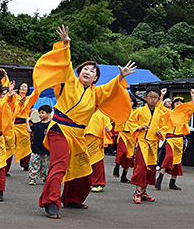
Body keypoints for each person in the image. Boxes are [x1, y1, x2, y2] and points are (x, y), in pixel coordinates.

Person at [33, 25, 135, 219]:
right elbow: (65, 63)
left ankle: (72, 199)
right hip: (60, 129)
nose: (88, 71)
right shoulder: (69, 81)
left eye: (92, 71)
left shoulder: (97, 92)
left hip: (78, 135)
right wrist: (66, 43)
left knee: (84, 168)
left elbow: (111, 88)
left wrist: (120, 76)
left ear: (96, 78)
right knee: (59, 165)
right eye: (85, 69)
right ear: (79, 72)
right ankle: (50, 201)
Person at [155, 89, 194, 191]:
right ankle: (160, 178)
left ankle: (172, 183)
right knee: (169, 157)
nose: (178, 104)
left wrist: (192, 96)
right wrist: (162, 95)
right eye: (176, 103)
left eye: (180, 103)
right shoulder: (169, 113)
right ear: (173, 105)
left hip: (179, 139)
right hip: (170, 138)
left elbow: (193, 108)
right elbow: (159, 107)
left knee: (177, 161)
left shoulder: (184, 114)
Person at [13, 82, 40, 171]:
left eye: (25, 86)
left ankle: (25, 164)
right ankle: (4, 167)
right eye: (22, 86)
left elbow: (35, 94)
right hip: (13, 123)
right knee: (10, 145)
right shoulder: (14, 97)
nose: (23, 88)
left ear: (27, 90)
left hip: (23, 124)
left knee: (25, 144)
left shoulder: (28, 99)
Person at [85, 109, 113, 192]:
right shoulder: (86, 111)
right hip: (86, 140)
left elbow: (108, 124)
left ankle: (99, 183)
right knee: (86, 162)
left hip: (97, 140)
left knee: (98, 162)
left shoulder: (103, 113)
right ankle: (88, 182)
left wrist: (108, 128)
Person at [113, 93, 137, 183]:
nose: (129, 103)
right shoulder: (121, 110)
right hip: (122, 133)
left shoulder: (136, 112)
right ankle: (117, 166)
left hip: (131, 135)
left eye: (131, 101)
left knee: (129, 156)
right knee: (122, 151)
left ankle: (124, 176)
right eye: (128, 101)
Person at [26, 105, 52, 185]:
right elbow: (29, 130)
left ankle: (45, 178)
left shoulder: (50, 125)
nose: (40, 115)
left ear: (48, 114)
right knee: (34, 163)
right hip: (36, 148)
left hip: (46, 149)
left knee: (45, 165)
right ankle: (32, 178)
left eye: (42, 113)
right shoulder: (37, 125)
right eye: (39, 113)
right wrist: (27, 121)